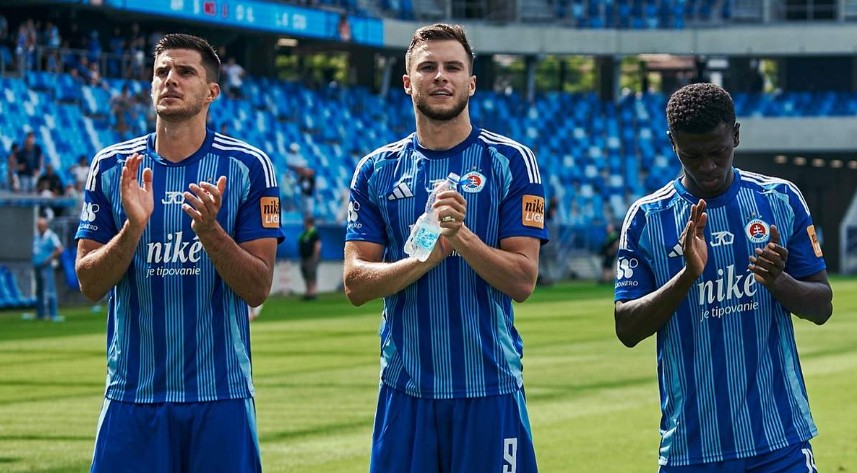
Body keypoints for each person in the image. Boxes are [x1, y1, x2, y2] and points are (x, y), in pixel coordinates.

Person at [74, 33, 282, 473]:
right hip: (132, 395)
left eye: (185, 72)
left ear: (211, 92)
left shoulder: (249, 167)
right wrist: (133, 228)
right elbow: (89, 283)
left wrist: (210, 232)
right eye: (162, 71)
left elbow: (257, 288)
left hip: (220, 395)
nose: (170, 79)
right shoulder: (111, 167)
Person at [343, 24, 546, 473]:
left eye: (453, 67)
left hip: (489, 388)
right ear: (407, 82)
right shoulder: (375, 170)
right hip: (405, 393)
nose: (440, 76)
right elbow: (355, 283)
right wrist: (426, 256)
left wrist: (461, 238)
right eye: (427, 67)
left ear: (471, 83)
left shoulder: (511, 162)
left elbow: (523, 280)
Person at [613, 83, 833, 471]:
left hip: (779, 440)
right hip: (692, 448)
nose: (707, 166)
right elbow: (626, 328)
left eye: (718, 152)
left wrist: (778, 280)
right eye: (692, 155)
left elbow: (822, 306)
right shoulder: (647, 219)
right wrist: (687, 275)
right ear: (672, 143)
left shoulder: (779, 200)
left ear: (736, 135)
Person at [31, 217, 64, 322]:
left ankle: (53, 314)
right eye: (38, 226)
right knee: (39, 290)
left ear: (45, 226)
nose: (39, 228)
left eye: (41, 226)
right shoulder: (37, 237)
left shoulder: (51, 236)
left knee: (50, 290)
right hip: (37, 266)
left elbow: (59, 249)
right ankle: (40, 314)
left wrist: (49, 258)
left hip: (46, 266)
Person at [298, 215, 321, 300]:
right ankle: (308, 291)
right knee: (306, 275)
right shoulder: (305, 233)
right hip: (304, 257)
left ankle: (312, 292)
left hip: (311, 257)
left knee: (311, 275)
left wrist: (315, 257)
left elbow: (317, 245)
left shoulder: (314, 233)